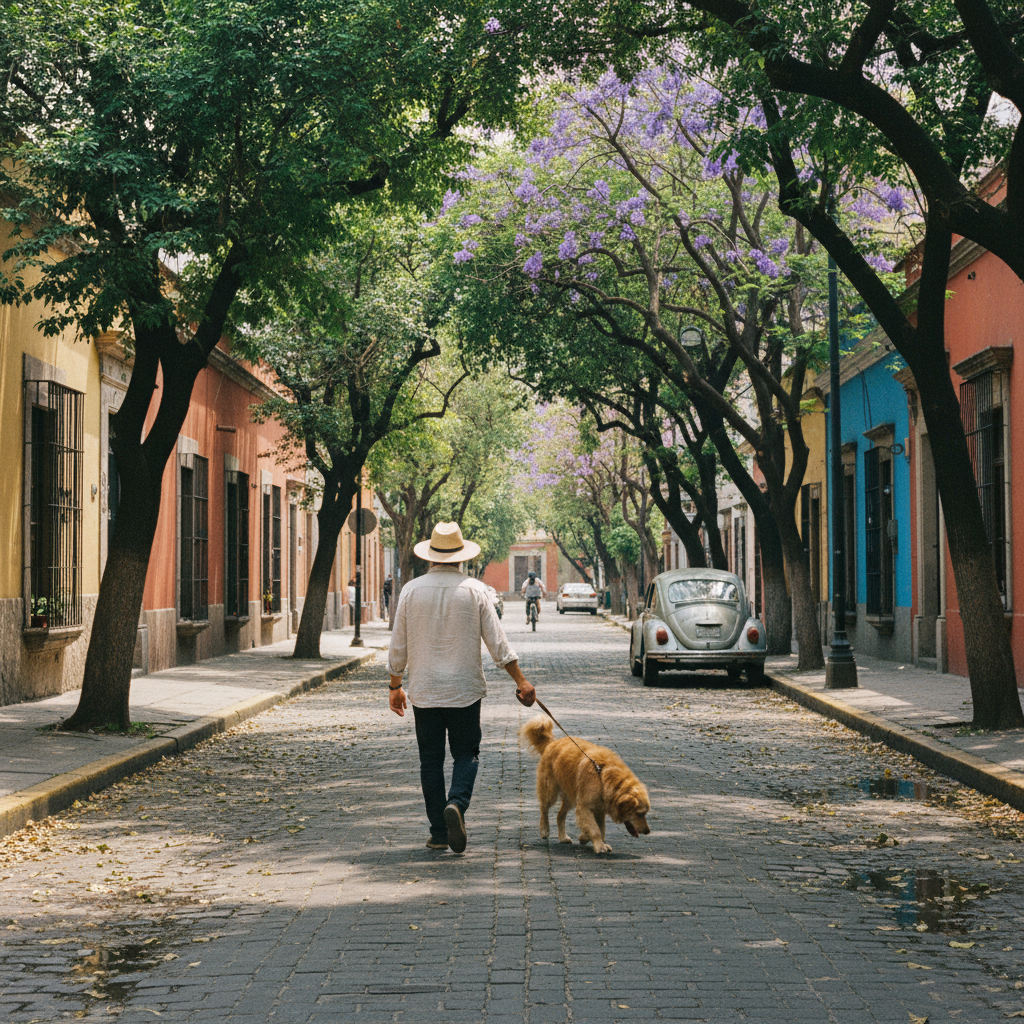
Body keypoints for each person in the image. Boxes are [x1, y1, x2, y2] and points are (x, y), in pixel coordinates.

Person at [387, 522, 537, 853]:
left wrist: (395, 685)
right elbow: (498, 644)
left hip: (425, 691)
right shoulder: (476, 590)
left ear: (430, 557)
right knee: (466, 753)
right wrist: (521, 682)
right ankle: (456, 803)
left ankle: (440, 832)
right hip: (464, 691)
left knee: (429, 760)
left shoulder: (411, 590)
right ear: (461, 558)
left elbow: (398, 646)